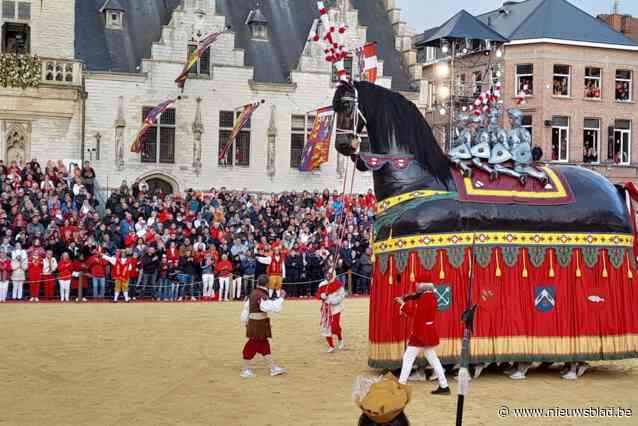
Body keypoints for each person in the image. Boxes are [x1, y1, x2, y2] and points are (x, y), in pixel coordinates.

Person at [394, 282, 450, 395]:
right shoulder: (430, 296)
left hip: (420, 333)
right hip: (428, 332)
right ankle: (444, 386)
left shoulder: (425, 298)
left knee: (408, 358)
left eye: (418, 285)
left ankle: (401, 385)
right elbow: (416, 297)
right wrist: (407, 298)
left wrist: (402, 304)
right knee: (433, 360)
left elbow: (415, 314)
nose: (416, 287)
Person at [239, 275, 286, 379]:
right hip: (258, 324)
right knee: (252, 345)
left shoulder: (254, 293)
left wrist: (245, 321)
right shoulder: (261, 294)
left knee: (264, 345)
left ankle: (272, 367)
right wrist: (281, 298)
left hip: (256, 322)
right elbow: (271, 308)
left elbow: (247, 308)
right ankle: (245, 369)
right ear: (267, 284)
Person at [317, 269, 346, 353]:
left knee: (335, 327)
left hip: (335, 309)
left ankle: (340, 339)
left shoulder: (338, 284)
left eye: (330, 274)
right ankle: (331, 346)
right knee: (326, 328)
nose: (328, 275)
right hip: (325, 309)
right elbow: (318, 295)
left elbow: (341, 296)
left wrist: (333, 301)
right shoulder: (322, 284)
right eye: (327, 274)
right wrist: (321, 296)